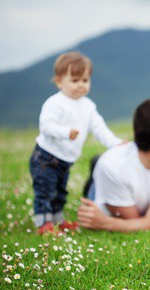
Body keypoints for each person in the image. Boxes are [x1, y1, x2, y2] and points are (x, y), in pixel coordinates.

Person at [29, 51, 122, 235]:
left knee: (60, 192)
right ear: (59, 81)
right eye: (75, 80)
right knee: (45, 190)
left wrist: (116, 143)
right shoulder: (55, 103)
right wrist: (65, 133)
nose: (81, 85)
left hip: (65, 159)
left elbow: (99, 128)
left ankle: (58, 220)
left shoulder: (88, 106)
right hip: (46, 156)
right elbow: (46, 126)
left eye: (85, 80)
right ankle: (43, 224)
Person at [77, 99, 150, 232]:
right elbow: (134, 221)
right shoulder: (112, 167)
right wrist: (105, 221)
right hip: (107, 183)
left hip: (136, 197)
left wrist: (106, 223)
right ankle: (95, 176)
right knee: (98, 187)